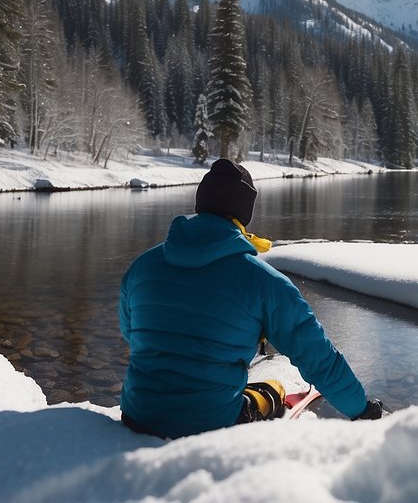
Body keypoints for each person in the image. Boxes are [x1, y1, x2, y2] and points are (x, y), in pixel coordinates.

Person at [119, 158, 383, 438]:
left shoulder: (141, 267)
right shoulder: (266, 282)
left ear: (201, 202)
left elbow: (131, 334)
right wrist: (361, 409)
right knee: (271, 391)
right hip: (209, 426)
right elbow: (317, 357)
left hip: (137, 415)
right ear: (245, 212)